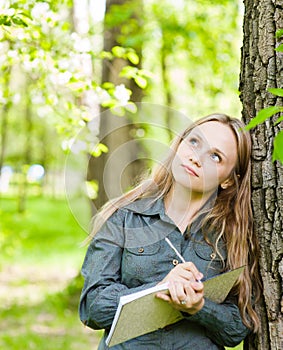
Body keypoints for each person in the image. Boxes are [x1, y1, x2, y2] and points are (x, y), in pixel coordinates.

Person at [79, 113, 260, 349]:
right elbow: (92, 308)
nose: (196, 158)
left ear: (228, 180)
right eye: (194, 142)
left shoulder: (233, 235)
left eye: (215, 157)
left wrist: (199, 307)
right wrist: (158, 290)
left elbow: (237, 329)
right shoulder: (124, 216)